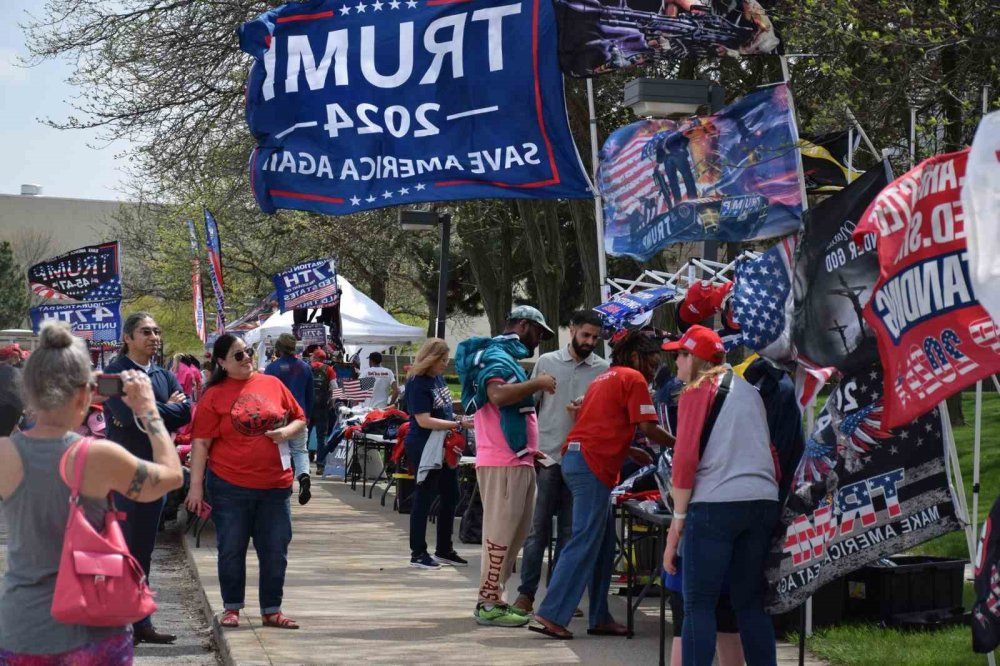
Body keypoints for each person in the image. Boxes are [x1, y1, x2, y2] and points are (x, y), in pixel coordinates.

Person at [0, 322, 183, 664]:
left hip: (20, 626)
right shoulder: (97, 456)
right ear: (86, 393)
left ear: (28, 391)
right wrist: (150, 411)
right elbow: (172, 476)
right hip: (91, 628)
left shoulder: (5, 454)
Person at [530, 331, 674, 640]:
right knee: (584, 539)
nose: (653, 371)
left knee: (605, 543)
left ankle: (600, 616)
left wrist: (626, 448)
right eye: (652, 363)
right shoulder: (633, 378)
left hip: (577, 458)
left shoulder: (605, 377)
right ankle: (551, 613)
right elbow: (648, 427)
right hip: (591, 465)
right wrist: (684, 444)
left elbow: (600, 421)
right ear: (635, 356)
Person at [662, 325, 779, 666]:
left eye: (680, 355)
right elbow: (770, 452)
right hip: (761, 500)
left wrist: (676, 524)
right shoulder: (750, 391)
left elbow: (684, 460)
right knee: (750, 604)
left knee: (698, 604)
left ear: (695, 359)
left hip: (715, 504)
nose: (676, 365)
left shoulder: (697, 391)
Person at [184, 333, 306, 631]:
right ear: (222, 363)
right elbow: (201, 444)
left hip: (275, 485)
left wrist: (286, 433)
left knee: (276, 549)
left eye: (248, 351)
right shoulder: (214, 395)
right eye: (238, 355)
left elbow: (299, 418)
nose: (247, 357)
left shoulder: (273, 384)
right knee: (231, 548)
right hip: (230, 486)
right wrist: (196, 487)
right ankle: (232, 607)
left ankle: (272, 610)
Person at [455, 305, 556, 628]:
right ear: (524, 325)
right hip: (503, 462)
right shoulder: (497, 356)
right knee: (500, 534)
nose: (539, 340)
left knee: (514, 534)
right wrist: (537, 383)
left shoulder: (502, 356)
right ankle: (488, 602)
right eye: (539, 332)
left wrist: (531, 449)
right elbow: (497, 395)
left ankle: (494, 598)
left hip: (516, 458)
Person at [511, 310, 608, 616]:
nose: (590, 342)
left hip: (581, 461)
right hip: (548, 457)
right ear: (572, 330)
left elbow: (605, 417)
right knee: (537, 530)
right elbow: (529, 408)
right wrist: (528, 450)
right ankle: (526, 593)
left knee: (570, 532)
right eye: (585, 335)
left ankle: (558, 595)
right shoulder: (547, 363)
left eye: (595, 338)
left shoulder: (603, 370)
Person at [102, 312, 191, 645]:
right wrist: (161, 407)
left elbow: (185, 413)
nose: (154, 336)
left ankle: (141, 622)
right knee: (121, 549)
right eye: (146, 331)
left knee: (143, 549)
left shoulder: (164, 374)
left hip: (156, 472)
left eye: (157, 331)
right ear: (128, 337)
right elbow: (123, 414)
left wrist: (149, 407)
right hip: (124, 474)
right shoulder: (111, 372)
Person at [402, 338, 469, 570]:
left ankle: (444, 548)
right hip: (424, 444)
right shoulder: (417, 382)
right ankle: (418, 552)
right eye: (442, 360)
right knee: (424, 496)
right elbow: (424, 419)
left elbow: (445, 409)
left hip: (444, 444)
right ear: (430, 359)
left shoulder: (437, 378)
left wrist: (458, 419)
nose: (445, 364)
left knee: (451, 494)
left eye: (446, 360)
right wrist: (456, 424)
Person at [264, 333, 313, 505]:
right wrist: (308, 416)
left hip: (278, 416)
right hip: (299, 416)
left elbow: (266, 395)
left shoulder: (271, 369)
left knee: (281, 451)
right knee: (300, 451)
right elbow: (310, 395)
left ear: (278, 348)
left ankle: (284, 485)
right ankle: (304, 475)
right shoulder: (305, 368)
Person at [309, 349, 336, 475]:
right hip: (323, 408)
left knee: (304, 436)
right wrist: (332, 402)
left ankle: (303, 465)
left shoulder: (307, 367)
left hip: (308, 406)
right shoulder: (329, 369)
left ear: (314, 357)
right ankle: (320, 465)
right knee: (321, 437)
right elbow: (335, 388)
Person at [0, 347, 24, 436]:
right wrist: (17, 421)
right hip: (8, 413)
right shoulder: (14, 372)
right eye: (16, 357)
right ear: (10, 357)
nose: (18, 360)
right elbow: (18, 397)